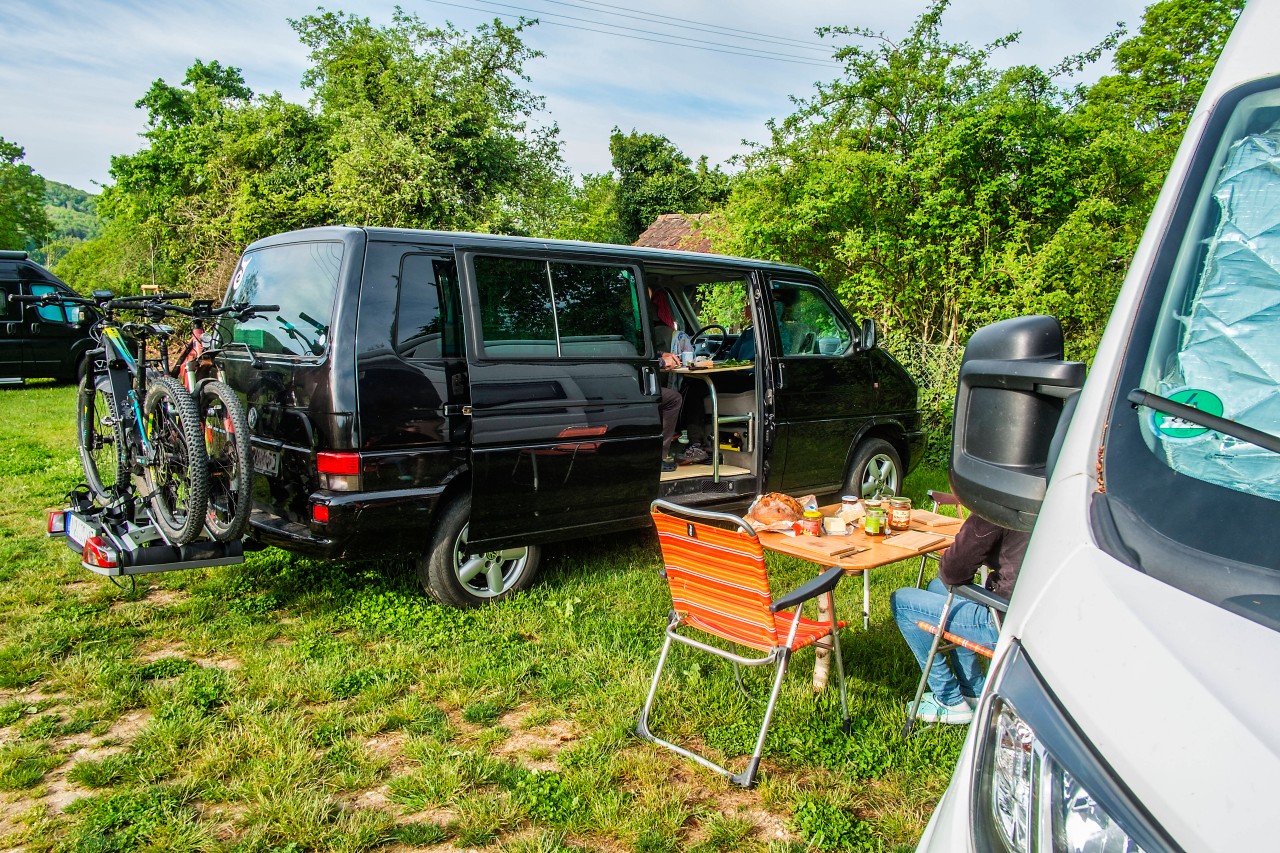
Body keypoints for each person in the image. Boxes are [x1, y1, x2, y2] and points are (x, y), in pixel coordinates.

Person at [889, 513, 1031, 724]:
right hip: (1033, 613)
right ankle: (972, 690)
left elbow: (953, 572)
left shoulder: (996, 506)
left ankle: (950, 700)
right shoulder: (1041, 501)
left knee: (901, 600)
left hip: (1004, 622)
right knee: (936, 587)